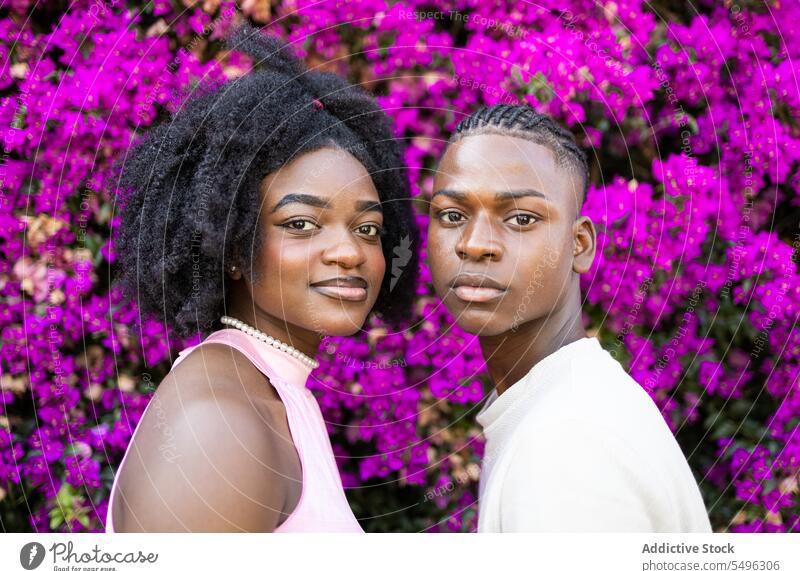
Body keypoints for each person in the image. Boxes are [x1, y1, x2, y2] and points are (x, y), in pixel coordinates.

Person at [104, 22, 418, 532]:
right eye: (300, 223)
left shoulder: (271, 394)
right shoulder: (217, 426)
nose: (349, 252)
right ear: (231, 245)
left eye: (367, 228)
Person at [425, 104, 712, 532]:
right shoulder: (564, 407)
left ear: (579, 245)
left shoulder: (566, 443)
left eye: (521, 218)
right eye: (453, 215)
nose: (474, 243)